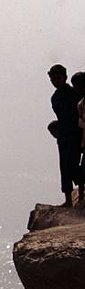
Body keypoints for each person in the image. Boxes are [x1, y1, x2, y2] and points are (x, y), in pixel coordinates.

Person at [48, 64, 83, 207]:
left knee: (75, 165)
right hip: (63, 136)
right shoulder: (55, 97)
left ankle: (81, 195)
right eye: (53, 79)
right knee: (64, 166)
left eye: (58, 78)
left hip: (76, 133)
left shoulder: (74, 94)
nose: (55, 81)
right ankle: (68, 199)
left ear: (65, 78)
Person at [71, 71, 85, 205]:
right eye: (75, 86)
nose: (78, 88)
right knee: (82, 169)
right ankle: (81, 198)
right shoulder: (80, 104)